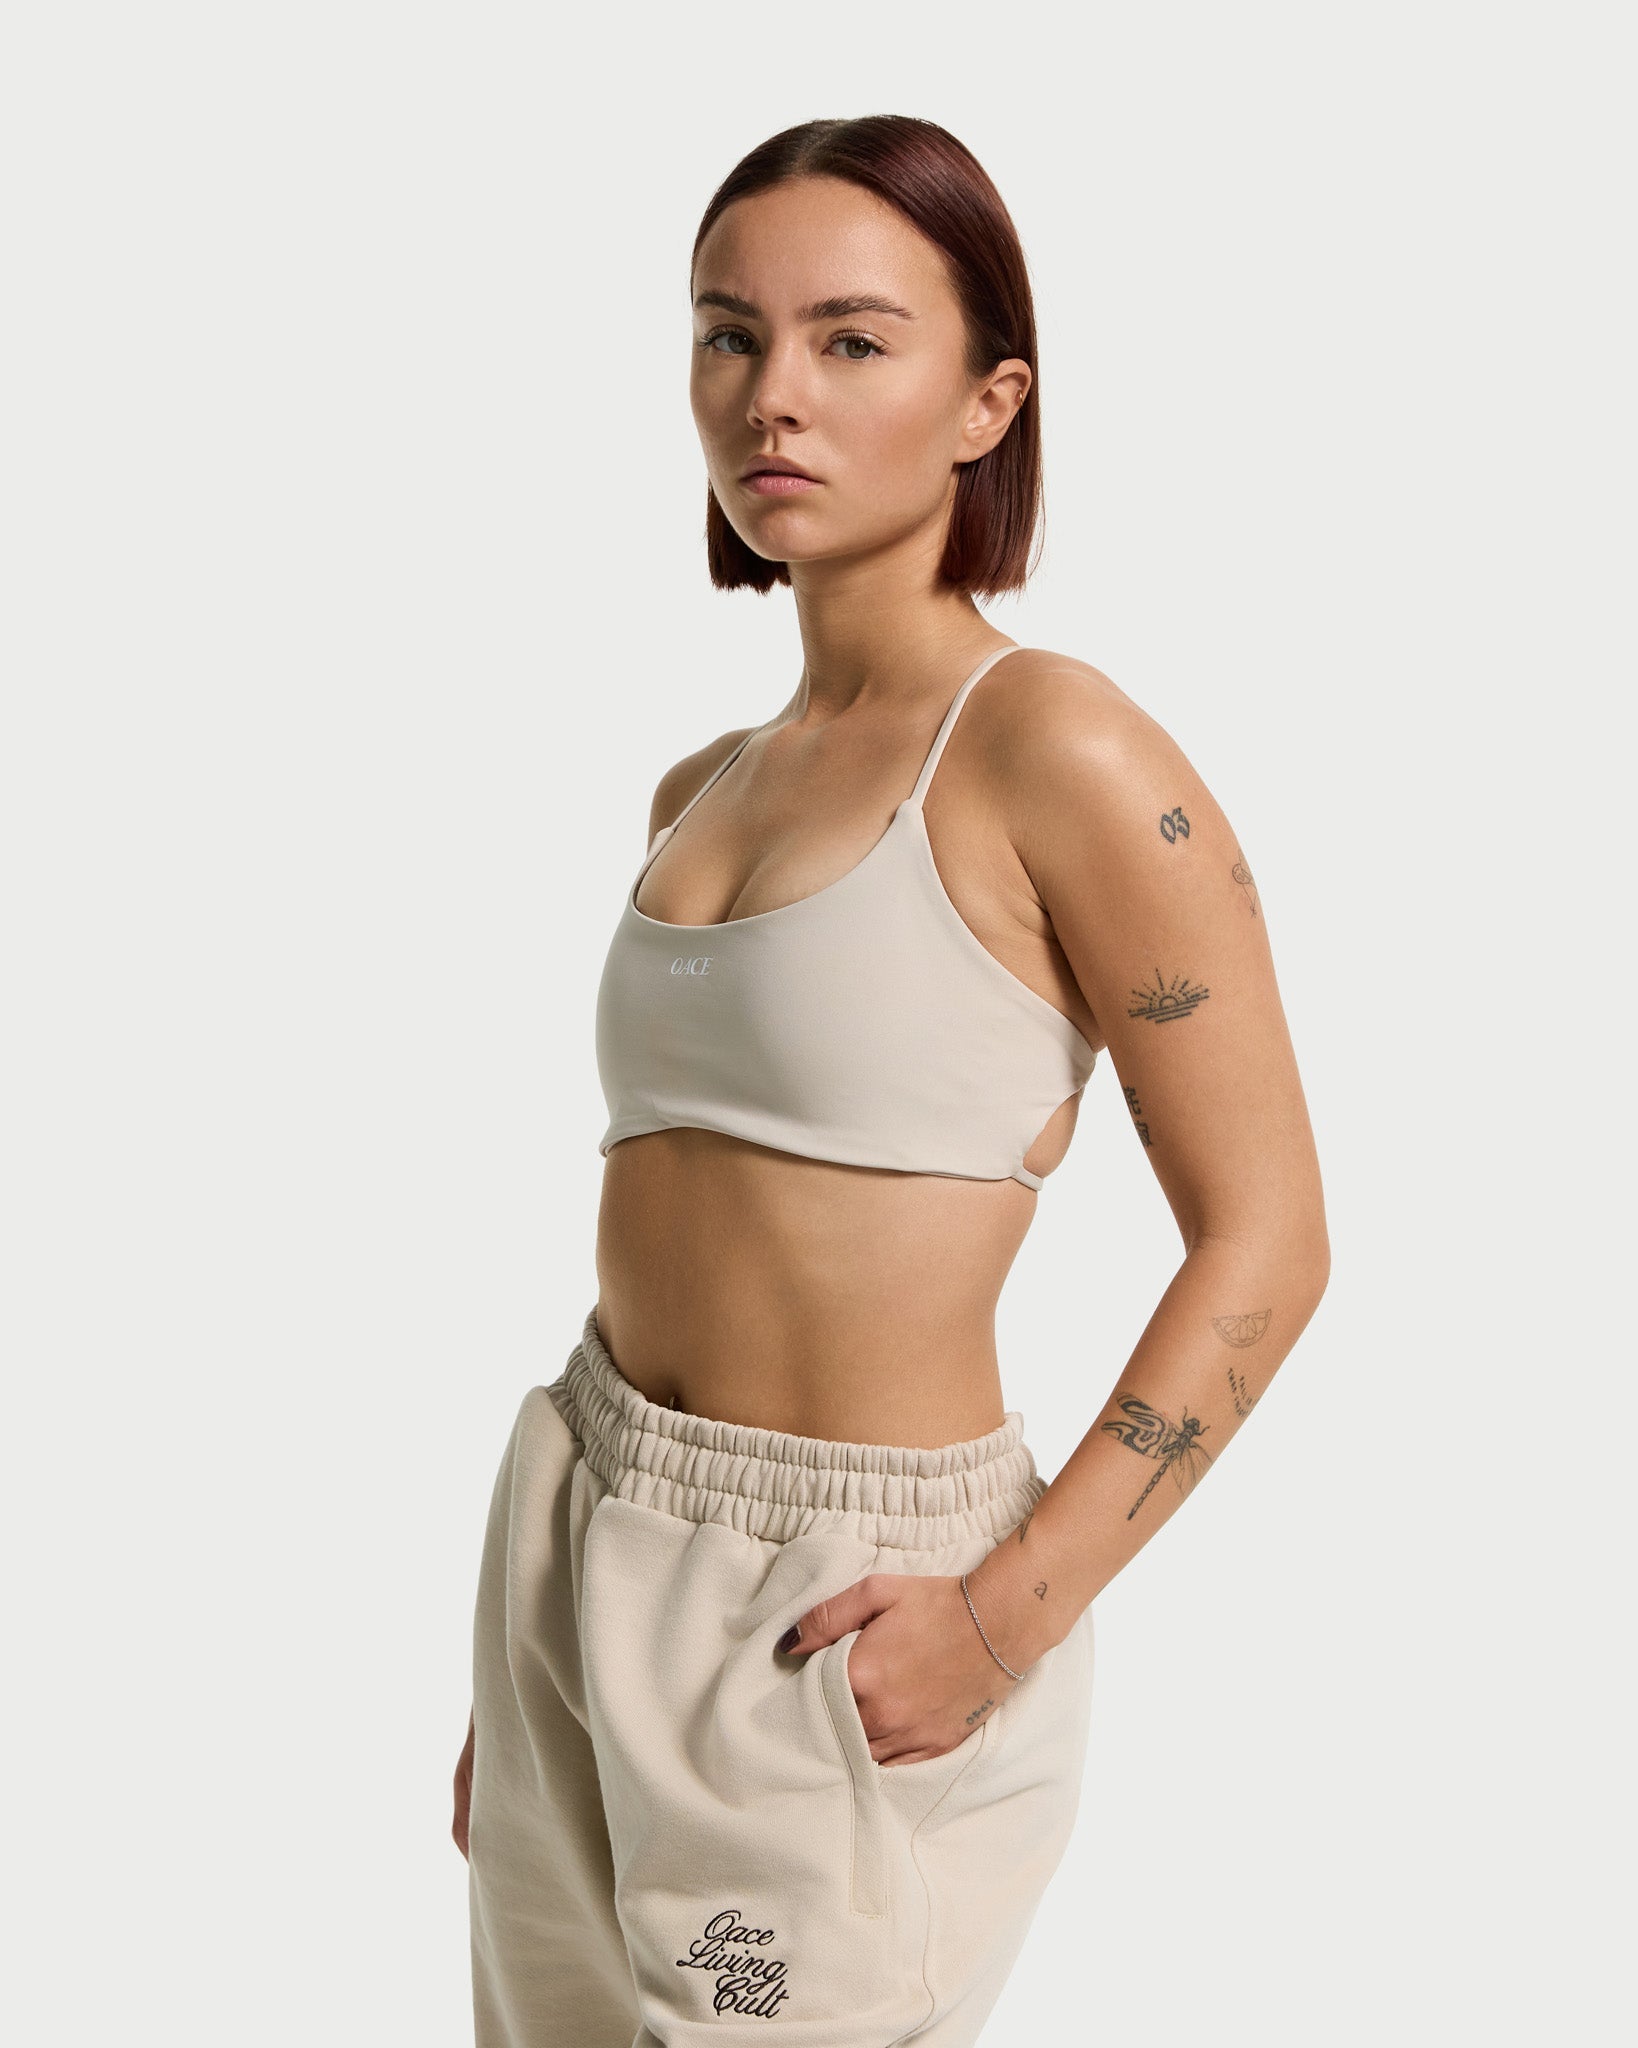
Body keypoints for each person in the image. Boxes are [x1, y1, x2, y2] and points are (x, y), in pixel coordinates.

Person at [453, 114, 1329, 2047]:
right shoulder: (701, 787)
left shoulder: (1055, 749)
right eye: (728, 334)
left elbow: (1267, 1240)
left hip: (841, 1606)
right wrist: (541, 1666)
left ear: (985, 403)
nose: (771, 394)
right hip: (587, 1524)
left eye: (851, 340)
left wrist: (1002, 1619)